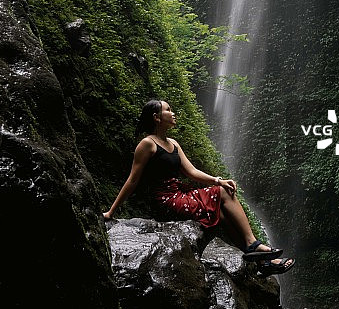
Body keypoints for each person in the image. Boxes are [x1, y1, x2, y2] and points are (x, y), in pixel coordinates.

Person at [103, 99, 295, 276]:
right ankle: (252, 243)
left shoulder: (173, 144)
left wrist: (218, 180)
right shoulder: (147, 144)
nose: (173, 113)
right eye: (168, 110)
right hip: (166, 202)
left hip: (179, 195)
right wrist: (111, 212)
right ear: (156, 117)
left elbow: (192, 172)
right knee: (221, 194)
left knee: (221, 212)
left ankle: (262, 263)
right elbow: (132, 180)